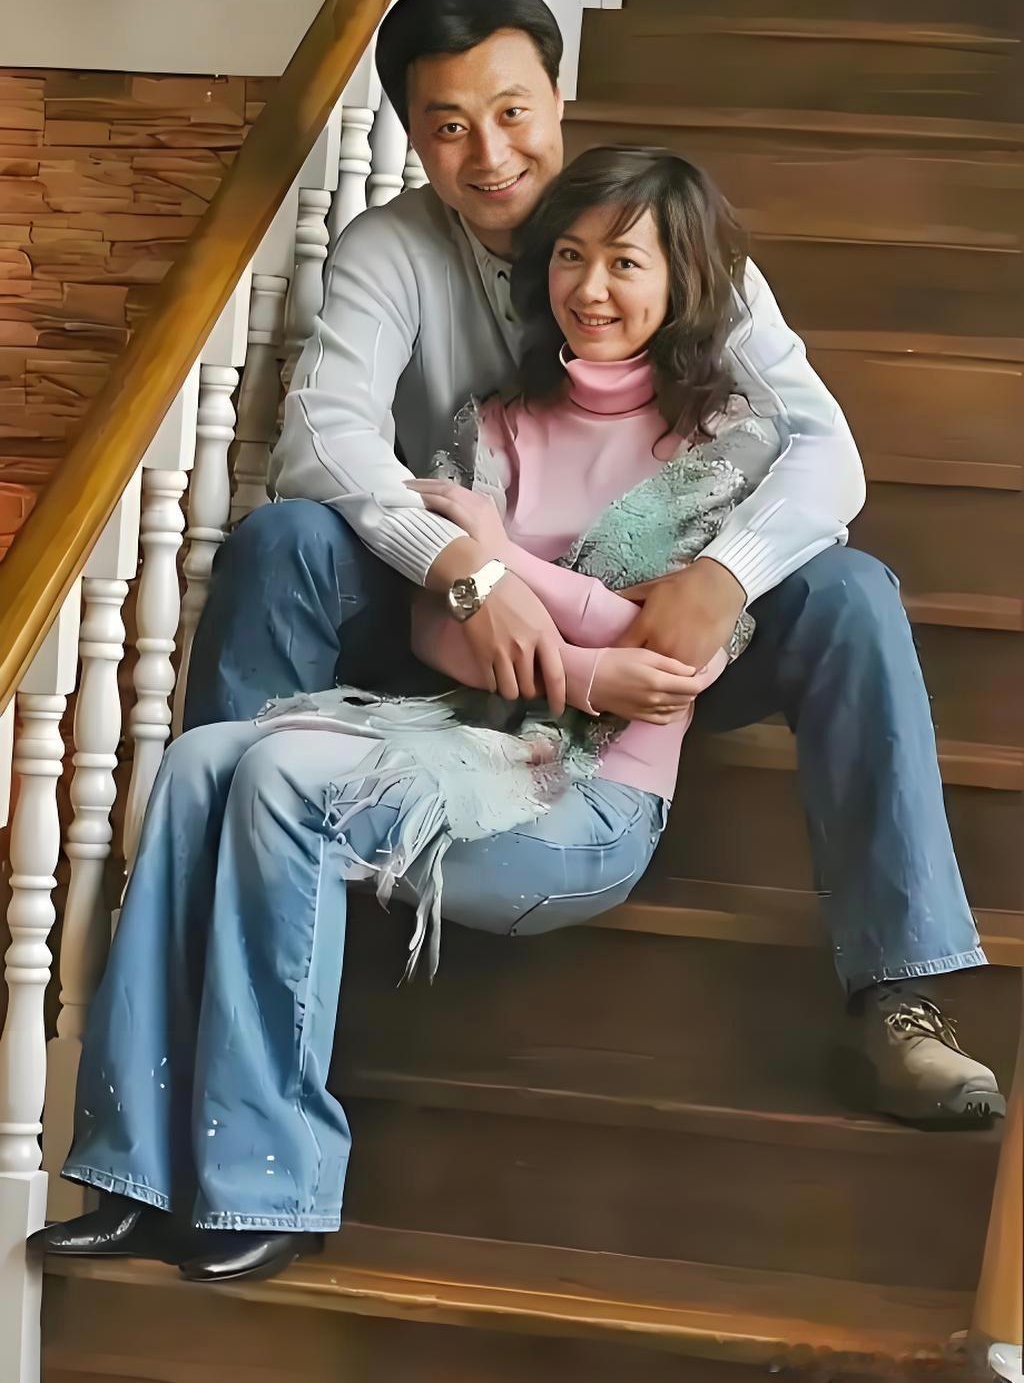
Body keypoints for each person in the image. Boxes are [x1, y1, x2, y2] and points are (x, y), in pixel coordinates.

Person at [31, 148, 805, 1282]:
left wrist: (501, 565)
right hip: (451, 738)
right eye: (571, 257)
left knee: (282, 781)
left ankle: (270, 1180)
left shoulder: (730, 447)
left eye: (625, 262)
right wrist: (549, 631)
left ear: (683, 276)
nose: (590, 287)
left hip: (588, 801)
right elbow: (443, 630)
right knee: (201, 762)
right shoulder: (494, 423)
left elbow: (670, 661)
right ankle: (133, 1173)